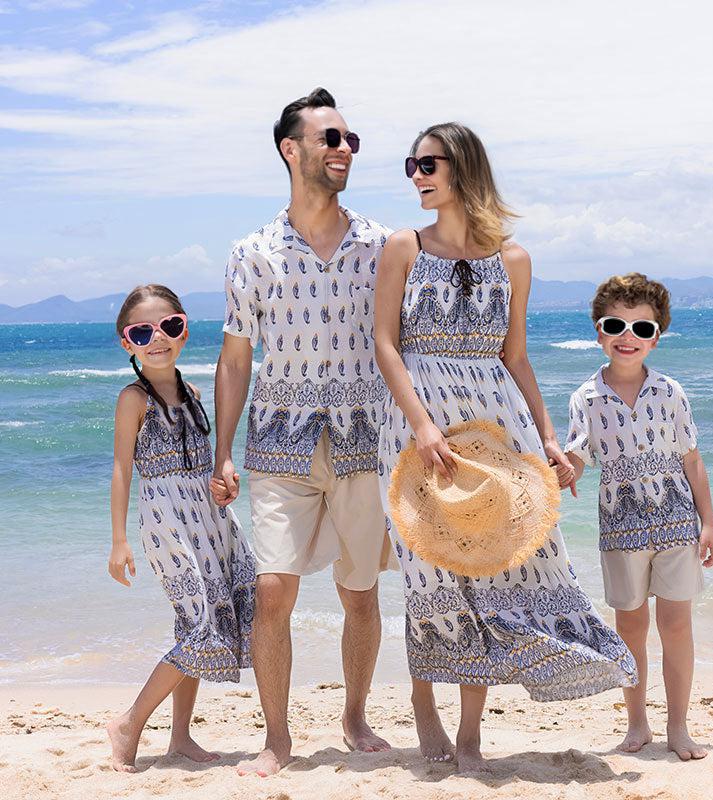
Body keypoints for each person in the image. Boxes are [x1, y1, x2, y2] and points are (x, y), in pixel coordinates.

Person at [373, 122, 637, 773]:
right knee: (434, 571)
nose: (416, 175)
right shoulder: (402, 247)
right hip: (417, 425)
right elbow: (385, 342)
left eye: (427, 164)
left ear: (462, 169)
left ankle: (470, 733)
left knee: (498, 567)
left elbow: (515, 356)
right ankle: (424, 703)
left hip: (495, 420)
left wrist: (547, 438)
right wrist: (422, 424)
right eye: (411, 164)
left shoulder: (513, 258)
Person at [212, 87, 394, 777]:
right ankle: (277, 736)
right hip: (277, 441)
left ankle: (354, 715)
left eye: (350, 139)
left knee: (360, 594)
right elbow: (235, 359)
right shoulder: (252, 252)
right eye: (331, 138)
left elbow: (404, 345)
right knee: (272, 592)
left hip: (361, 440)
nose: (344, 149)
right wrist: (222, 453)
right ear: (292, 150)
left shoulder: (380, 245)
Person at [564, 273, 713, 760]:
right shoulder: (585, 399)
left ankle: (679, 727)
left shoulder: (671, 392)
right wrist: (548, 472)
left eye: (642, 329)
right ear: (598, 332)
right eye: (616, 324)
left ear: (657, 338)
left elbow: (692, 460)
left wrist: (709, 524)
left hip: (677, 522)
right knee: (630, 628)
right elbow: (577, 459)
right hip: (621, 528)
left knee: (676, 624)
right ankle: (637, 724)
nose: (628, 337)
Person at [106, 284, 255, 773]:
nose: (158, 338)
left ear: (184, 330)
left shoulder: (191, 394)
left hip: (209, 519)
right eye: (143, 331)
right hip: (168, 523)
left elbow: (201, 464)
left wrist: (222, 486)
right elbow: (122, 469)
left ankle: (180, 737)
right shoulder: (134, 399)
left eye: (169, 326)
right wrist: (120, 540)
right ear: (127, 343)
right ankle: (129, 721)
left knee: (203, 619)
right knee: (202, 628)